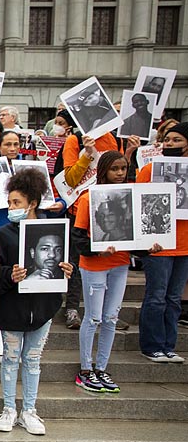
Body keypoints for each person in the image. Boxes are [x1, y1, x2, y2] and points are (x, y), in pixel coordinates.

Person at [0, 169, 73, 435]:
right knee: (11, 358)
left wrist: (67, 270)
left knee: (33, 359)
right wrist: (9, 275)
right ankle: (8, 408)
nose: (11, 208)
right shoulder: (3, 234)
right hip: (12, 308)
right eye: (9, 203)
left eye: (17, 203)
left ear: (33, 203)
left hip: (43, 308)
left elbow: (66, 266)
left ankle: (29, 409)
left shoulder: (54, 232)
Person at [71, 151, 139, 392]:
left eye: (123, 168)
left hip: (120, 264)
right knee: (93, 317)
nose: (119, 173)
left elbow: (137, 234)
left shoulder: (130, 197)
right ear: (103, 171)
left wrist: (148, 248)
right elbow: (78, 237)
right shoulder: (89, 198)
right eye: (114, 169)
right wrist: (96, 251)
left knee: (110, 317)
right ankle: (86, 369)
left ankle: (101, 368)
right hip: (94, 266)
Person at [136, 122, 188, 363]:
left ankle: (169, 345)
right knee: (156, 296)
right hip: (158, 243)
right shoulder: (149, 170)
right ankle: (152, 345)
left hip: (184, 244)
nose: (170, 144)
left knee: (174, 298)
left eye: (177, 140)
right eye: (167, 140)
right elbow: (140, 204)